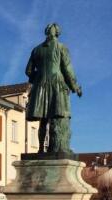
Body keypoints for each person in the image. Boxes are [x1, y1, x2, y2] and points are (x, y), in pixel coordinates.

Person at [26, 23, 82, 156]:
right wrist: (75, 87)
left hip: (40, 86)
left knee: (43, 119)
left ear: (46, 32)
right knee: (55, 117)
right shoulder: (61, 47)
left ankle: (40, 149)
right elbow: (67, 69)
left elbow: (28, 71)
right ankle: (56, 147)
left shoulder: (36, 50)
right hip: (56, 85)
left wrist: (38, 78)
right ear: (57, 33)